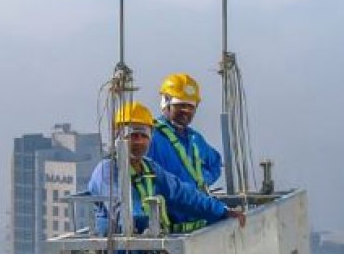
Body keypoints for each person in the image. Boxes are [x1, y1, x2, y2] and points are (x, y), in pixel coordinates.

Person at [88, 101, 244, 242]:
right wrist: (149, 226)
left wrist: (222, 211)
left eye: (144, 136)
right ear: (117, 137)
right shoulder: (106, 171)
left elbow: (183, 194)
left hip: (147, 249)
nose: (139, 141)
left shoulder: (149, 168)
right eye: (132, 136)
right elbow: (122, 209)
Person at [146, 73, 225, 232]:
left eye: (190, 106)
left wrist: (198, 182)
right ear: (165, 103)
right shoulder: (151, 138)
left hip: (198, 223)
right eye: (180, 105)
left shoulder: (195, 139)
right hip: (169, 228)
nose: (186, 111)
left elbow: (215, 163)